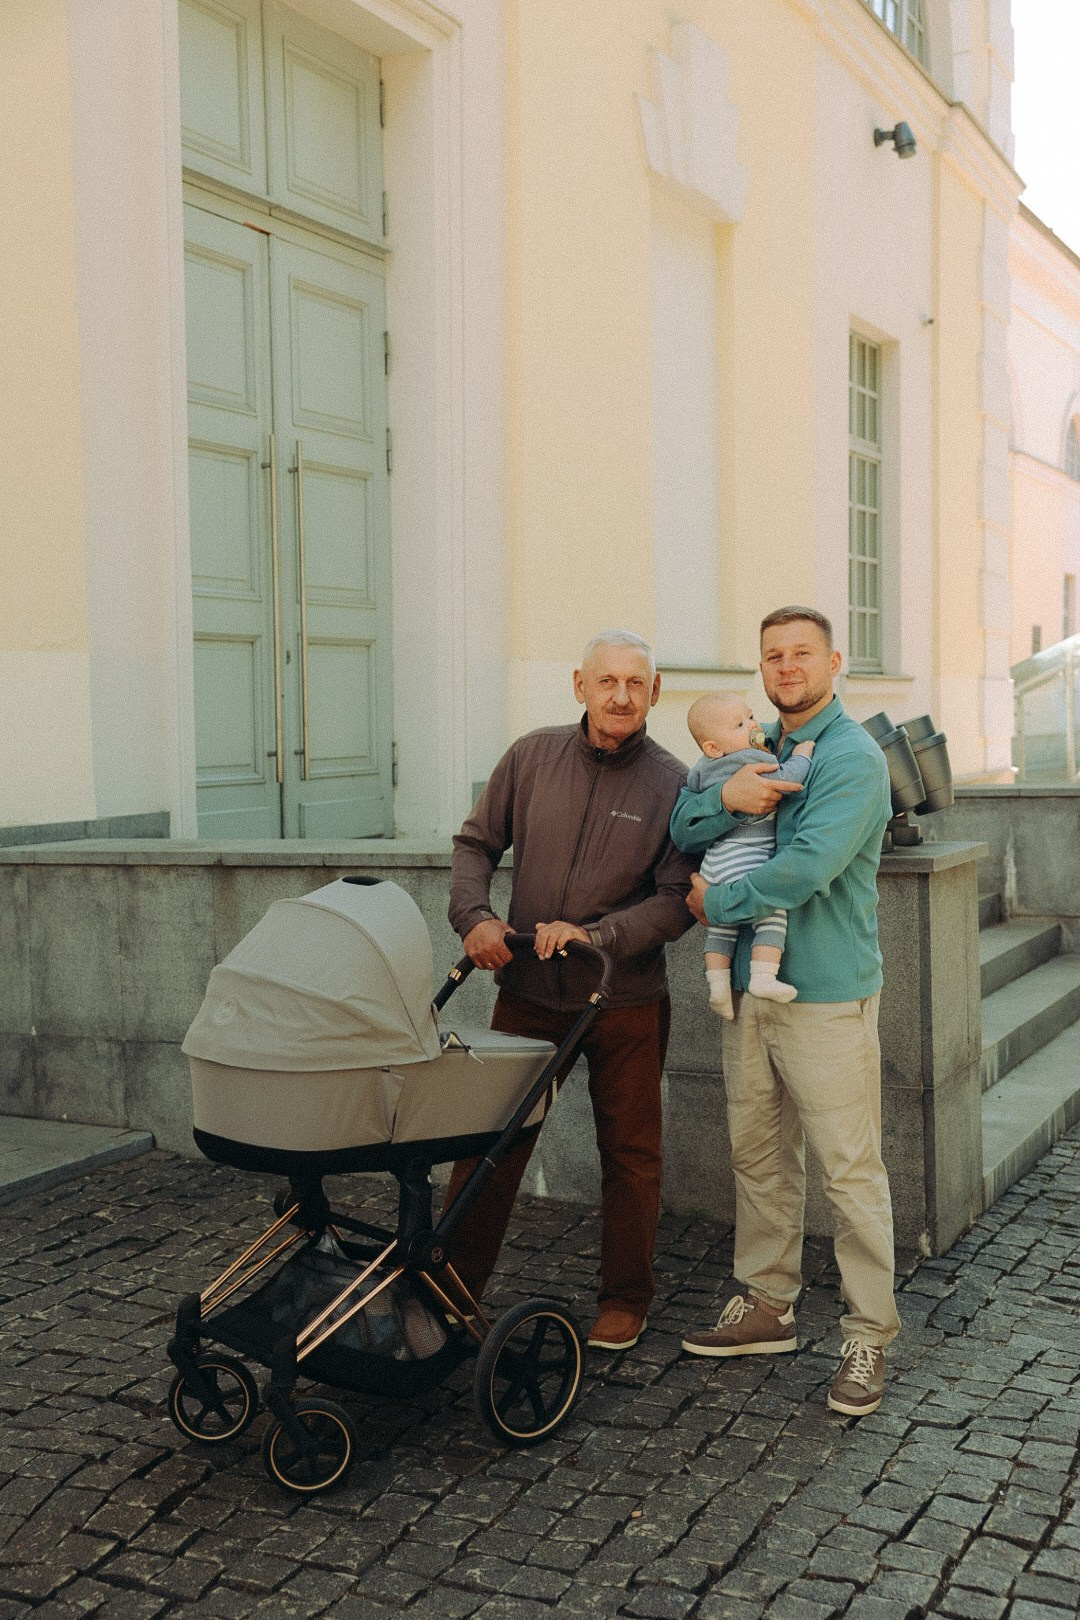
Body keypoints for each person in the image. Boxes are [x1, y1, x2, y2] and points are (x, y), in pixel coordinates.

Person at [671, 607, 899, 1417]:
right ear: (761, 668)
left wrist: (716, 899)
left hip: (827, 992)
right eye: (773, 655)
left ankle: (869, 1332)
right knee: (757, 1152)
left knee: (848, 1169)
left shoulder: (851, 757)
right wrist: (725, 803)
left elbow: (807, 866)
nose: (786, 665)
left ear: (834, 661)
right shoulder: (748, 744)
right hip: (749, 994)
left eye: (801, 652)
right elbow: (683, 821)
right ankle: (768, 1303)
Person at [442, 630, 696, 1352]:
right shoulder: (530, 756)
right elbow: (474, 846)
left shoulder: (676, 784)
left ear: (655, 692)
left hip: (624, 1000)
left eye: (635, 684)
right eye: (606, 681)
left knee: (631, 1153)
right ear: (579, 685)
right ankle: (449, 1289)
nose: (620, 696)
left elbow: (677, 898)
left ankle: (625, 1298)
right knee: (489, 1144)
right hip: (524, 991)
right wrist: (475, 917)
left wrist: (599, 937)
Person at [685, 692, 815, 1019]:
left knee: (722, 929)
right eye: (740, 724)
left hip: (715, 863)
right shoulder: (751, 759)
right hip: (746, 858)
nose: (754, 725)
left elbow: (689, 800)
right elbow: (787, 778)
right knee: (772, 914)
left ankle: (717, 988)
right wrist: (802, 755)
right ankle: (763, 977)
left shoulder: (702, 769)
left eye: (751, 716)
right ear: (713, 747)